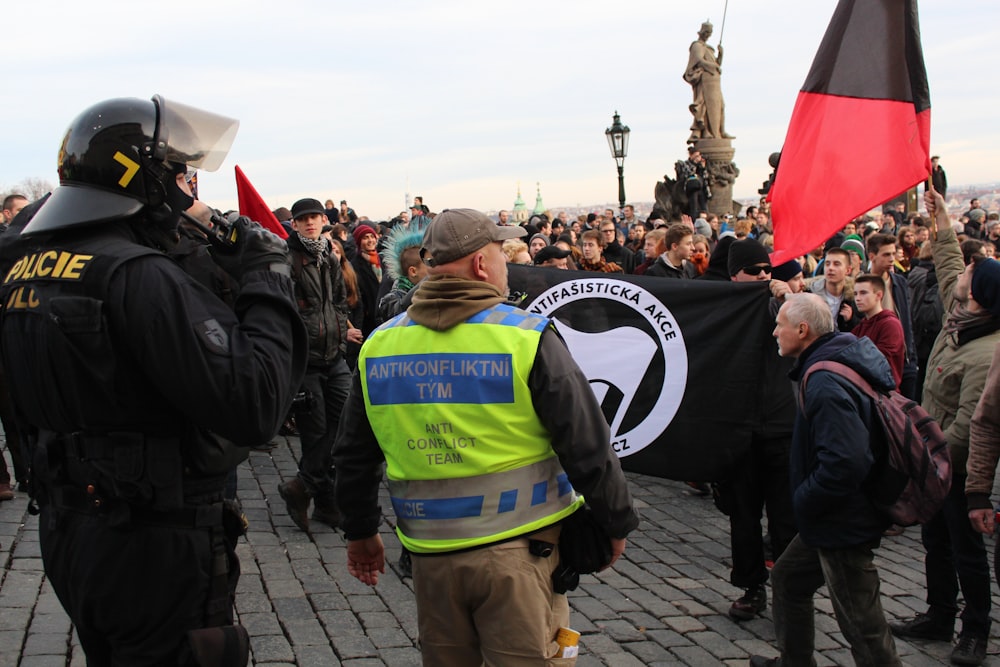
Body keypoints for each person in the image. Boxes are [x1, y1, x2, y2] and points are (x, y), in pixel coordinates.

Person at [0, 95, 307, 665]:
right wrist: (267, 278)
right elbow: (256, 402)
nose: (185, 189)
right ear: (143, 176)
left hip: (72, 527)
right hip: (153, 538)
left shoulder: (24, 268)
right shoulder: (137, 274)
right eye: (177, 173)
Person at [333, 208, 640, 664]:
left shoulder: (379, 344)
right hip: (520, 551)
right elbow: (586, 442)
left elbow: (355, 453)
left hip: (431, 556)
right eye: (501, 252)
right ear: (481, 264)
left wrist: (360, 532)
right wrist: (615, 522)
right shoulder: (524, 337)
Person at [751, 294, 902, 667]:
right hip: (832, 515)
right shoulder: (830, 360)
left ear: (802, 331)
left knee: (861, 622)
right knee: (788, 579)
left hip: (841, 519)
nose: (775, 332)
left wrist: (804, 498)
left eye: (780, 325)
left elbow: (846, 461)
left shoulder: (824, 381)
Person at [890, 188, 1000, 666]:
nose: (963, 274)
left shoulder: (985, 352)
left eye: (972, 275)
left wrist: (930, 461)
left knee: (966, 550)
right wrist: (938, 218)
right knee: (935, 542)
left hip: (951, 464)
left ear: (979, 296)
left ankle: (974, 628)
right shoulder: (964, 315)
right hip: (931, 457)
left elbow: (972, 426)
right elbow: (950, 262)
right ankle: (938, 613)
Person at [720, 239, 796, 622]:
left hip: (782, 428)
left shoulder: (780, 306)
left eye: (768, 270)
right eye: (755, 271)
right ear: (736, 275)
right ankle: (751, 587)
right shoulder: (722, 309)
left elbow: (813, 328)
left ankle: (788, 590)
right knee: (743, 518)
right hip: (739, 430)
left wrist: (788, 298)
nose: (764, 276)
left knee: (785, 519)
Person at [276, 198, 359, 533]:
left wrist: (340, 331)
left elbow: (339, 300)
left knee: (344, 424)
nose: (309, 223)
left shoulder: (329, 255)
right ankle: (325, 502)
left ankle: (302, 485)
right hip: (307, 360)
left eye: (314, 217)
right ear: (294, 224)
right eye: (303, 219)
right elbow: (285, 307)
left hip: (334, 356)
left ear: (324, 220)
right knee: (316, 431)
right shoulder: (289, 258)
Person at [851, 274, 905, 389]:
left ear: (879, 295)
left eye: (863, 293)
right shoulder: (860, 326)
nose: (858, 298)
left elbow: (882, 361)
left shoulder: (890, 324)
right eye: (855, 294)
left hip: (884, 393)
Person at [683, 21, 732, 142]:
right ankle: (708, 132)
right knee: (708, 108)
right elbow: (699, 61)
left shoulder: (708, 48)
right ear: (702, 32)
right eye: (707, 32)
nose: (708, 35)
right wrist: (713, 66)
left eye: (710, 33)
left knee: (721, 106)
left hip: (714, 83)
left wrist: (721, 54)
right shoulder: (697, 46)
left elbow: (716, 64)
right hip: (705, 84)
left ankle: (720, 131)